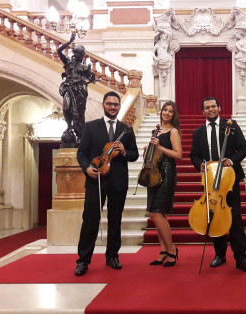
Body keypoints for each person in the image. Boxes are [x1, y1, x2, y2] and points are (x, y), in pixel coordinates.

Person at [74, 91, 139, 276]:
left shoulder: (127, 129)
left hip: (118, 181)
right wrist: (86, 168)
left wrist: (125, 151)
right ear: (103, 105)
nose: (113, 107)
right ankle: (83, 260)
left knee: (115, 221)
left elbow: (134, 155)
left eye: (116, 104)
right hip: (96, 180)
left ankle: (112, 256)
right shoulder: (90, 127)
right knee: (90, 221)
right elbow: (82, 153)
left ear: (119, 107)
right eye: (109, 104)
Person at [189, 97, 246, 273]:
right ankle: (220, 254)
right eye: (207, 108)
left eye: (213, 106)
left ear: (219, 107)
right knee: (214, 216)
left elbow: (244, 148)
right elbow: (193, 155)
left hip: (229, 180)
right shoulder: (198, 133)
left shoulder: (231, 126)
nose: (211, 110)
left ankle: (241, 257)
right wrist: (199, 165)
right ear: (202, 111)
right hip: (210, 180)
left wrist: (231, 161)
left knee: (235, 219)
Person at [146, 101, 183, 267]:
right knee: (157, 214)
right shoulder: (157, 130)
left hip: (167, 173)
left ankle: (172, 249)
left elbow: (179, 154)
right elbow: (155, 153)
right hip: (153, 172)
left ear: (174, 115)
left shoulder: (173, 131)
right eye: (165, 110)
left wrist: (159, 146)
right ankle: (163, 251)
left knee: (156, 214)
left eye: (170, 111)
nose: (167, 113)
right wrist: (148, 149)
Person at [58, 33, 96, 144]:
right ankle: (69, 126)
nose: (78, 55)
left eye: (80, 54)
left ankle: (80, 132)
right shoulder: (68, 63)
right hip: (69, 87)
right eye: (77, 53)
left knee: (80, 111)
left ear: (82, 55)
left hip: (80, 88)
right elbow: (59, 51)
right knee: (66, 108)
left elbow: (92, 79)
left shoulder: (84, 67)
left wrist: (90, 71)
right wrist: (69, 42)